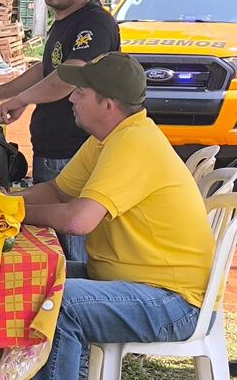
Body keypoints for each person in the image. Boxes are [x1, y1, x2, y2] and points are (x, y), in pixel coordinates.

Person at [19, 52, 214, 379]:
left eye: (81, 92)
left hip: (175, 302)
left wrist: (16, 212)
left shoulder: (134, 142)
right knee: (27, 279)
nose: (72, 98)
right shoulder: (107, 139)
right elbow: (57, 191)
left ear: (108, 104)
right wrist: (0, 199)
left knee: (60, 304)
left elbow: (78, 221)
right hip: (134, 283)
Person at [0, 0, 120, 262]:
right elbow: (45, 70)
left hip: (74, 153)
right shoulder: (65, 22)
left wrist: (21, 100)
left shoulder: (95, 23)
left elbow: (69, 75)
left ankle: (73, 295)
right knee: (51, 247)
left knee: (69, 256)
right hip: (51, 153)